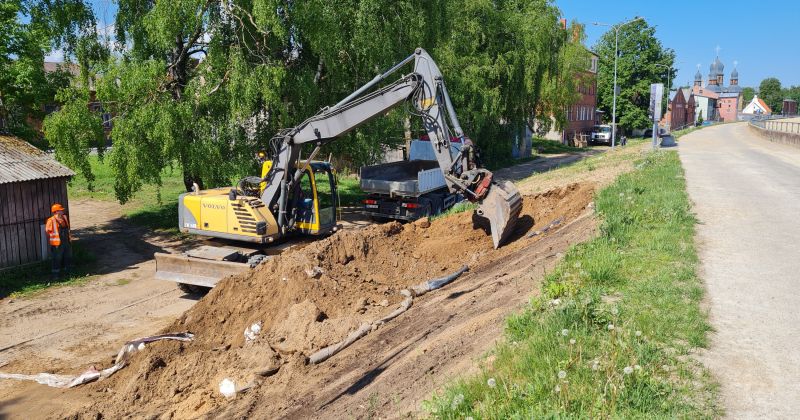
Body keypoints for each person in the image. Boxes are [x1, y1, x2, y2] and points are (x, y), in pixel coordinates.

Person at [45, 203, 72, 278]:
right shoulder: (51, 220)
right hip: (57, 244)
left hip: (66, 241)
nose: (62, 211)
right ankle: (55, 275)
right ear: (56, 211)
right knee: (57, 259)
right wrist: (53, 240)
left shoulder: (64, 217)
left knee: (68, 257)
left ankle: (68, 272)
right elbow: (47, 231)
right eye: (60, 210)